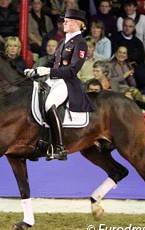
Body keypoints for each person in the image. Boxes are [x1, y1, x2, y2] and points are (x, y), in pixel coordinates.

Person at [24, 8, 94, 160]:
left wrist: (48, 72)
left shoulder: (81, 44)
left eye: (67, 21)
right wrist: (36, 70)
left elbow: (73, 69)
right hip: (52, 79)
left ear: (78, 23)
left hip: (66, 82)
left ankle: (60, 147)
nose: (64, 22)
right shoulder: (63, 41)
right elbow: (52, 62)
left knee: (49, 104)